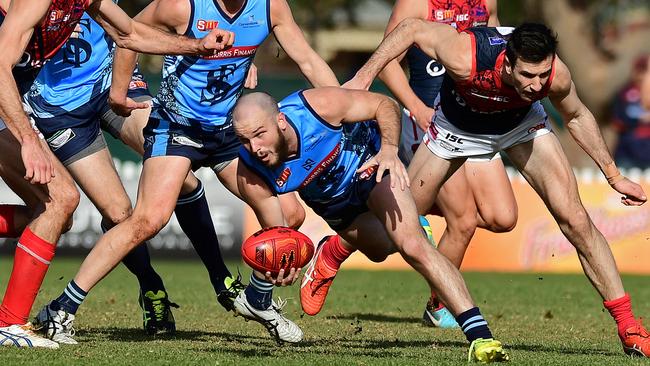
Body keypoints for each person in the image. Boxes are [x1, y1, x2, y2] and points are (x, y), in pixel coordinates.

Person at [36, 0, 339, 345]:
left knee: (290, 213)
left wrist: (338, 109)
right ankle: (61, 308)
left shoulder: (271, 7)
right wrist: (118, 92)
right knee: (148, 219)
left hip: (226, 130)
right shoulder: (182, 6)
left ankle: (257, 299)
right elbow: (127, 31)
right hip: (177, 128)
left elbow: (309, 61)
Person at [346, 20, 650, 357]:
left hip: (520, 126)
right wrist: (364, 77)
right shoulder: (465, 54)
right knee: (399, 226)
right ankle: (336, 250)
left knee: (576, 219)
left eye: (542, 75)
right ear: (506, 62)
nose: (537, 85)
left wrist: (613, 175)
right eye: (527, 76)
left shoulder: (555, 75)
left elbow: (576, 115)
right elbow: (411, 28)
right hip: (455, 130)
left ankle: (628, 327)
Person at [0, 0, 232, 348]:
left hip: (75, 92)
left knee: (57, 216)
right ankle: (10, 324)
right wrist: (29, 141)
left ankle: (219, 278)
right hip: (19, 105)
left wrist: (197, 46)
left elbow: (129, 31)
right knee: (60, 202)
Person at [233, 89, 509, 362]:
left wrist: (389, 150)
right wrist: (283, 265)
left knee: (413, 245)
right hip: (336, 207)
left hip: (371, 166)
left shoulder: (316, 108)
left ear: (280, 121)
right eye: (244, 140)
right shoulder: (251, 172)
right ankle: (333, 249)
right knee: (380, 250)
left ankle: (481, 336)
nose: (254, 148)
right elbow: (279, 235)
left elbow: (384, 103)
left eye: (260, 134)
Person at [372, 0, 516, 328]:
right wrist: (417, 108)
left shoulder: (486, 3)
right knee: (463, 218)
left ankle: (414, 204)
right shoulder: (415, 4)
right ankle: (439, 305)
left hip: (476, 120)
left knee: (501, 216)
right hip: (432, 122)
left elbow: (498, 52)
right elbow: (386, 62)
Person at [610, 55, 650, 169]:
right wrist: (639, 119)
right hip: (628, 153)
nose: (642, 75)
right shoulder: (624, 93)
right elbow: (617, 122)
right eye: (640, 70)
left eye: (645, 71)